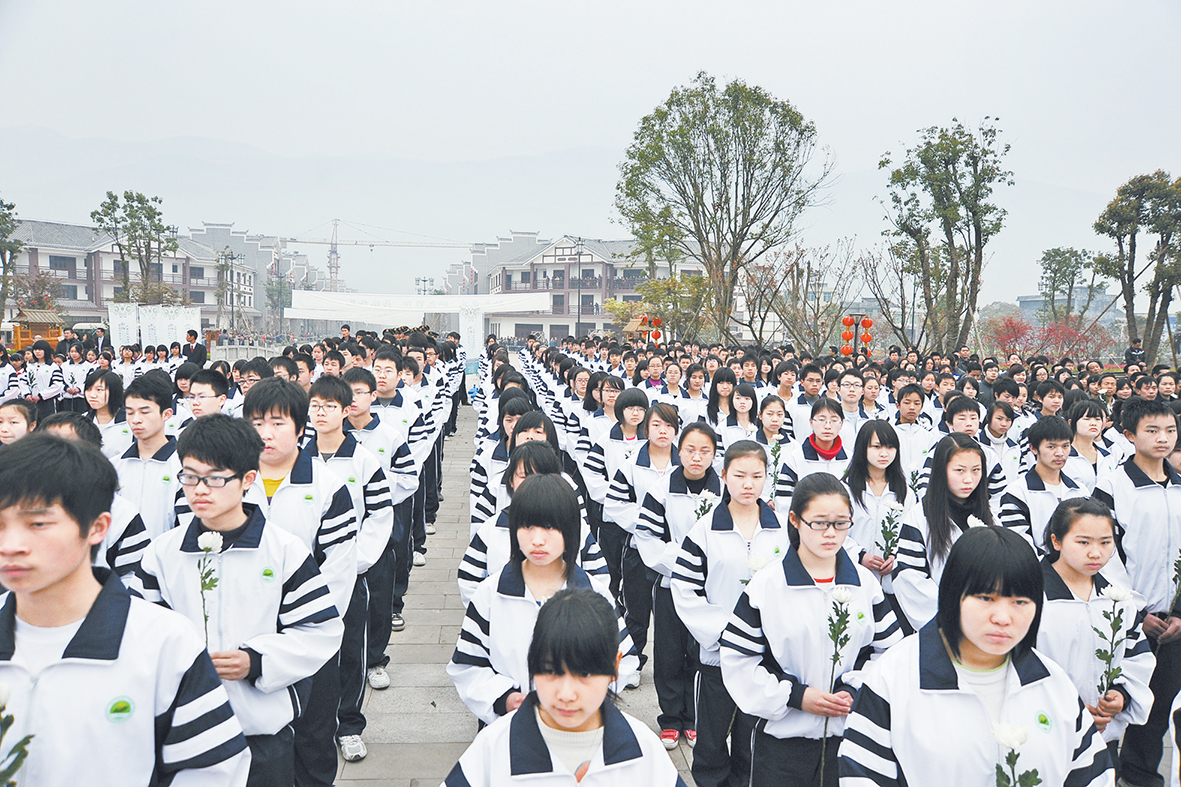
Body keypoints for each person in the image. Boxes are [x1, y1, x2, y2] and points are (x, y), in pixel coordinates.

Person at [0, 434, 251, 785]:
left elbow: (211, 771)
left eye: (37, 523)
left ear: (97, 528)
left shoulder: (162, 643)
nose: (11, 546)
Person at [130, 415, 344, 787]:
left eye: (214, 478)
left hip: (259, 730)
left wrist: (256, 660)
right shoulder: (162, 554)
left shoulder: (282, 552)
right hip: (183, 735)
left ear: (248, 479)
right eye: (189, 476)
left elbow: (318, 630)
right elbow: (138, 634)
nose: (199, 489)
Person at [839, 526, 1115, 786]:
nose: (1003, 618)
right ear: (953, 593)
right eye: (986, 598)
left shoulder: (1052, 684)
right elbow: (862, 775)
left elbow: (1092, 776)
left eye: (1019, 602)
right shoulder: (895, 677)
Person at [720, 473, 902, 786]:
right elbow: (740, 661)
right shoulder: (767, 586)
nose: (831, 533)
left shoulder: (865, 584)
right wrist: (797, 696)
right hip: (783, 743)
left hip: (850, 738)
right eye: (819, 523)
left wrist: (855, 691)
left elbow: (890, 654)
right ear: (795, 519)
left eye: (841, 523)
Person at [447, 474, 639, 726]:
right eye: (527, 527)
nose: (537, 540)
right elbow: (468, 664)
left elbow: (624, 659)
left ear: (572, 531)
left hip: (579, 725)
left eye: (549, 527)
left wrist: (582, 699)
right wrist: (505, 698)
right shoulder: (491, 594)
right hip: (510, 726)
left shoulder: (593, 593)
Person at [443, 588, 685, 786]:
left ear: (615, 667)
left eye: (585, 674)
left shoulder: (642, 748)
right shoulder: (495, 745)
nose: (567, 694)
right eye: (551, 671)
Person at [671, 441, 788, 787]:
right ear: (724, 476)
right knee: (710, 744)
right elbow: (685, 589)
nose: (748, 484)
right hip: (715, 658)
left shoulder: (782, 529)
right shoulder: (704, 531)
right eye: (739, 475)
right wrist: (728, 632)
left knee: (750, 744)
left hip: (763, 657)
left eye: (757, 476)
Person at [1094, 397, 1181, 787]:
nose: (1163, 439)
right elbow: (1103, 554)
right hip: (1126, 618)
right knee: (1115, 699)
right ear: (1129, 435)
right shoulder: (1113, 485)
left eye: (1170, 430)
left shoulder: (1179, 487)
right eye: (1152, 430)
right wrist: (1134, 610)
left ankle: (1141, 776)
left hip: (1173, 619)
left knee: (1159, 705)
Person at [1036, 497, 1155, 773]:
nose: (1096, 553)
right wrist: (1069, 710)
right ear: (1056, 541)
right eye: (1083, 542)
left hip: (1103, 735)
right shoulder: (1032, 597)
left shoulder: (1118, 599)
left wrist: (1120, 695)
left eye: (1105, 542)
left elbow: (1136, 656)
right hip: (1046, 730)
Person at [634, 422, 722, 748]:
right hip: (670, 584)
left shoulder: (723, 490)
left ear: (714, 454)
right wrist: (684, 564)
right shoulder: (661, 489)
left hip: (708, 588)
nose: (696, 457)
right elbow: (647, 538)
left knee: (701, 652)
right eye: (690, 450)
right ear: (679, 450)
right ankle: (670, 719)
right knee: (669, 652)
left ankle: (694, 717)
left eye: (705, 451)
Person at [893, 433, 993, 631]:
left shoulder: (990, 516)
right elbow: (908, 578)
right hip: (944, 625)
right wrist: (956, 615)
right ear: (941, 471)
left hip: (985, 624)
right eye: (959, 470)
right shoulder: (920, 518)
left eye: (976, 470)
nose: (969, 479)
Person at [114, 373, 181, 540]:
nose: (136, 420)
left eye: (145, 412)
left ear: (166, 414)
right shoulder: (114, 466)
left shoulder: (183, 466)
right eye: (129, 413)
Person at [84, 368, 132, 459]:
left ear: (114, 391)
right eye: (88, 389)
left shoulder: (131, 421)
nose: (92, 395)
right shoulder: (82, 420)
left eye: (99, 390)